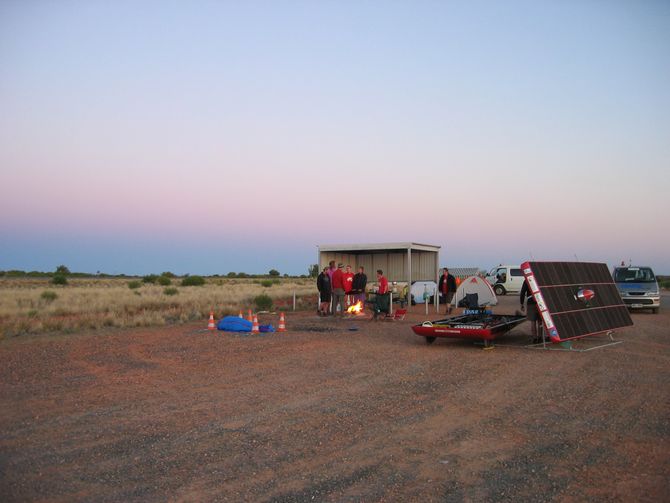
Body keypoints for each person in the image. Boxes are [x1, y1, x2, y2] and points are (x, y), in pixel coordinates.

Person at [520, 277, 542, 342]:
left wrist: (522, 303)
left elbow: (523, 292)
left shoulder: (526, 280)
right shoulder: (539, 278)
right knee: (540, 321)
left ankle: (535, 338)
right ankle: (540, 337)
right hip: (540, 301)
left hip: (531, 303)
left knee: (533, 321)